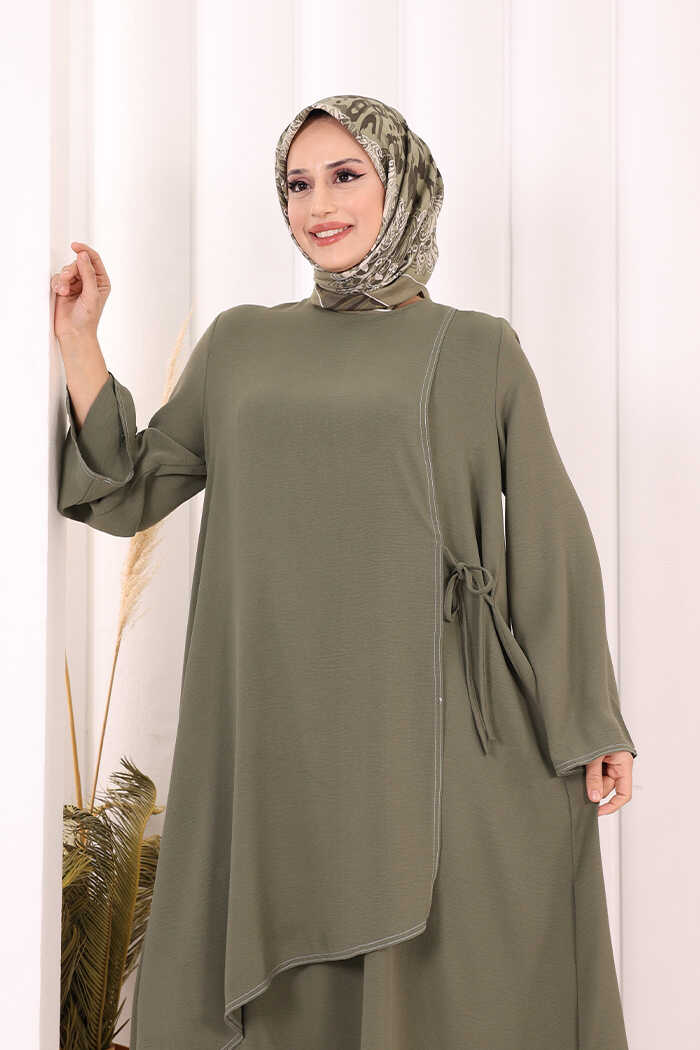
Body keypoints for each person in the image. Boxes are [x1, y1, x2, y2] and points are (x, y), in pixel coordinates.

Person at [54, 94, 638, 1050]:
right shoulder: (242, 343)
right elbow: (127, 488)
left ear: (401, 186)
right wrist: (81, 340)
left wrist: (591, 722)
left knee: (449, 974)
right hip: (278, 726)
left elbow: (549, 535)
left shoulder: (479, 346)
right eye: (297, 184)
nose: (317, 205)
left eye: (345, 175)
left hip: (436, 728)